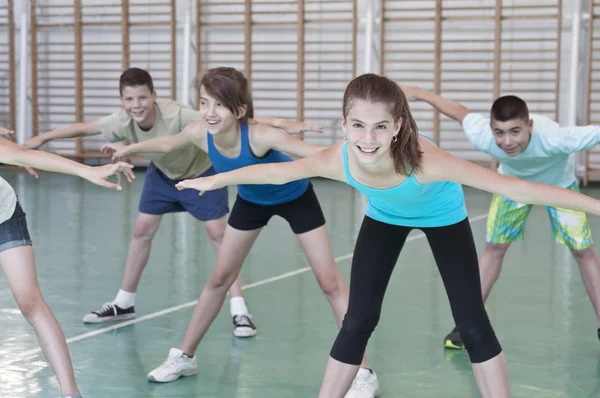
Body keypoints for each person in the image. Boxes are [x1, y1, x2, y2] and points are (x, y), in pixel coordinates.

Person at [175, 73, 600, 397]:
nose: (368, 138)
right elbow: (276, 170)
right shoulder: (338, 158)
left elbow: (519, 189)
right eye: (358, 125)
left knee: (472, 324)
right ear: (344, 125)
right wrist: (213, 182)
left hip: (442, 218)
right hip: (384, 218)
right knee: (358, 319)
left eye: (380, 127)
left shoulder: (425, 160)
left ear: (398, 126)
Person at [102, 67, 381, 397]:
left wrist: (364, 151)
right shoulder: (199, 132)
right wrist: (127, 150)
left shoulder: (260, 135)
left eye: (219, 105)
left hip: (295, 197)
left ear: (240, 110)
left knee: (330, 282)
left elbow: (315, 155)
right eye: (204, 102)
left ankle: (363, 371)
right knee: (219, 278)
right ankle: (184, 357)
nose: (209, 112)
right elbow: (167, 142)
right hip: (251, 201)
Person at [24, 67, 321, 338]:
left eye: (142, 97)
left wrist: (281, 123)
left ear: (154, 96)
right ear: (122, 101)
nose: (136, 105)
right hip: (163, 175)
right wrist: (41, 139)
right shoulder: (122, 120)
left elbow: (234, 116)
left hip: (201, 174)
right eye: (129, 99)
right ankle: (124, 302)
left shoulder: (180, 115)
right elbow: (84, 128)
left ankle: (239, 309)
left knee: (219, 236)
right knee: (142, 230)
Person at [402, 85, 600, 349]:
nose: (507, 142)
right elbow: (459, 112)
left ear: (529, 126)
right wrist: (420, 94)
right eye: (500, 133)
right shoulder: (483, 137)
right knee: (493, 248)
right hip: (511, 186)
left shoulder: (557, 138)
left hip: (558, 187)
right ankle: (467, 326)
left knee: (583, 251)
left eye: (515, 131)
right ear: (491, 130)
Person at [0, 127, 135, 398]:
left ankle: (71, 393)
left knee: (30, 301)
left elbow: (24, 155)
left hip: (3, 213)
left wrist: (87, 171)